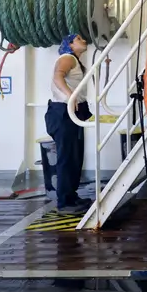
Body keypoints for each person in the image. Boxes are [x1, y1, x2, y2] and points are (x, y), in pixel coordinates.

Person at [47, 33, 93, 215]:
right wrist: (70, 96)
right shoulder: (67, 58)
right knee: (67, 158)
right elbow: (58, 76)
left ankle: (71, 197)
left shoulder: (76, 60)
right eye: (79, 39)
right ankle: (64, 203)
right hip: (63, 112)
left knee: (75, 157)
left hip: (72, 112)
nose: (84, 40)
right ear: (70, 44)